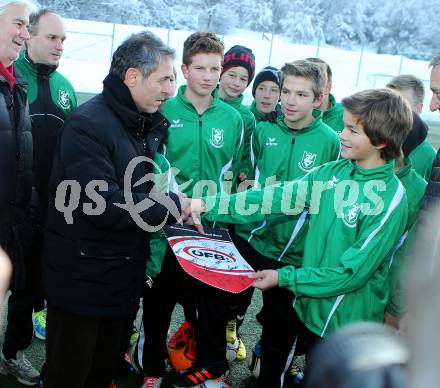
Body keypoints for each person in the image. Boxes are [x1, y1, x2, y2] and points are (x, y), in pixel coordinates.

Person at [191, 88, 412, 387]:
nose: (341, 135)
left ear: (381, 140)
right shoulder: (332, 172)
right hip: (308, 307)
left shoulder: (391, 199)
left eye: (351, 130)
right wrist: (207, 205)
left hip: (344, 324)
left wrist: (285, 278)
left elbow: (351, 274)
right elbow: (272, 197)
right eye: (343, 126)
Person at [41, 31, 186, 388]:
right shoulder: (88, 124)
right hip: (81, 281)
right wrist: (172, 206)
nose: (171, 90)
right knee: (69, 375)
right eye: (165, 79)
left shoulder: (142, 122)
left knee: (102, 374)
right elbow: (102, 203)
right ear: (133, 77)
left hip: (119, 279)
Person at [140, 31, 244, 388]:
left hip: (208, 230)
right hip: (165, 228)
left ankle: (207, 368)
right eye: (200, 67)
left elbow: (236, 174)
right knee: (157, 305)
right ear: (184, 70)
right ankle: (150, 369)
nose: (209, 75)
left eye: (215, 68)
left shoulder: (234, 120)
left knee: (208, 308)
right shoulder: (163, 110)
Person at [231, 59, 340, 367]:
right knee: (216, 300)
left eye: (302, 95)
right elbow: (249, 182)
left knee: (281, 334)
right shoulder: (262, 132)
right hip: (251, 239)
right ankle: (214, 366)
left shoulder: (331, 142)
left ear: (318, 100)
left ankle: (268, 368)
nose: (290, 101)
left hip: (294, 255)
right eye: (286, 91)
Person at [10, 8, 76, 345]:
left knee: (34, 282)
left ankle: (14, 352)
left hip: (50, 208)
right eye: (52, 37)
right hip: (11, 206)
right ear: (28, 36)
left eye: (63, 39)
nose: (59, 45)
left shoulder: (67, 89)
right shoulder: (10, 78)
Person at [0, 0, 40, 385]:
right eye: (18, 24)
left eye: (27, 26)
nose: (24, 34)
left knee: (20, 292)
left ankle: (11, 353)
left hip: (16, 216)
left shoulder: (16, 86)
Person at [387, 74, 436, 180]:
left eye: (402, 105)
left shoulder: (430, 157)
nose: (392, 111)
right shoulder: (369, 143)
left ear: (418, 108)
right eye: (387, 103)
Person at [218, 45, 256, 182]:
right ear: (221, 73)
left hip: (224, 188)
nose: (236, 83)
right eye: (232, 75)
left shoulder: (247, 117)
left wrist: (244, 169)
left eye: (243, 79)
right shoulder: (203, 103)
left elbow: (246, 154)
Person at [306, 57, 344, 133]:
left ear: (327, 87)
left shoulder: (347, 115)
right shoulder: (288, 113)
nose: (308, 90)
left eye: (315, 84)